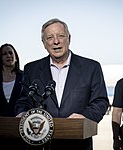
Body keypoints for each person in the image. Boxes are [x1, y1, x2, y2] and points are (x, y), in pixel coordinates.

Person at [15, 18, 109, 150]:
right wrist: (22, 112)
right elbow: (24, 100)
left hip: (77, 143)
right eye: (49, 37)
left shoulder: (91, 67)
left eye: (60, 36)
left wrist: (84, 117)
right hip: (40, 144)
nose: (56, 41)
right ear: (44, 43)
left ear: (69, 38)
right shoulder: (31, 69)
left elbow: (100, 101)